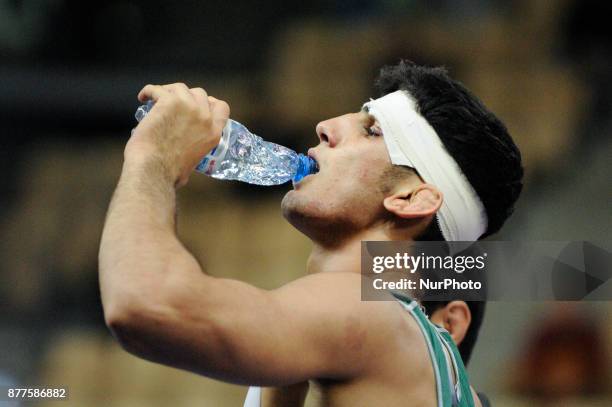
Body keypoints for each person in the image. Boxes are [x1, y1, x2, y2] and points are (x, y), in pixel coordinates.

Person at [99, 60, 522, 406]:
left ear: (411, 200)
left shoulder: (371, 314)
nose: (325, 126)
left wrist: (154, 156)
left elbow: (143, 305)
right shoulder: (381, 343)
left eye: (373, 130)